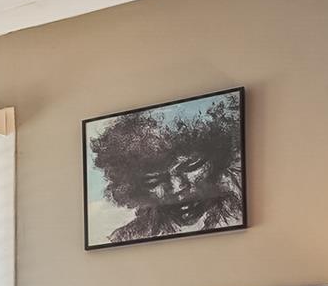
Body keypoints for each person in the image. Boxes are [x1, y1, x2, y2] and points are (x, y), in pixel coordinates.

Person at [91, 95, 244, 242]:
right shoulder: (126, 238)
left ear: (218, 158)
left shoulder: (240, 211)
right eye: (154, 180)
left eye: (191, 167)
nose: (177, 188)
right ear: (133, 188)